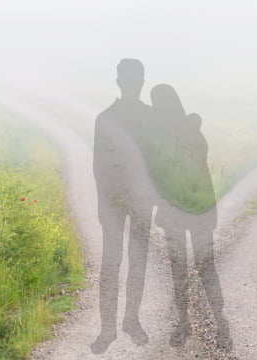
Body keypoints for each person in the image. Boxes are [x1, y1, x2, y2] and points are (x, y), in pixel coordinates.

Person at [150, 84, 232, 350]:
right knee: (197, 267)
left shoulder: (177, 136)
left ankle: (200, 323)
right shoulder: (190, 132)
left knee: (187, 268)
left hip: (188, 211)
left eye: (156, 104)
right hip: (196, 211)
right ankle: (210, 323)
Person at [91, 59, 152, 354]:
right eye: (129, 79)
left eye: (135, 79)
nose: (132, 84)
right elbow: (98, 165)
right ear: (121, 82)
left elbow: (158, 164)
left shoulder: (108, 118)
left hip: (134, 201)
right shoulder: (107, 119)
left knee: (130, 262)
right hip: (120, 202)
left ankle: (127, 321)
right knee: (113, 263)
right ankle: (111, 326)